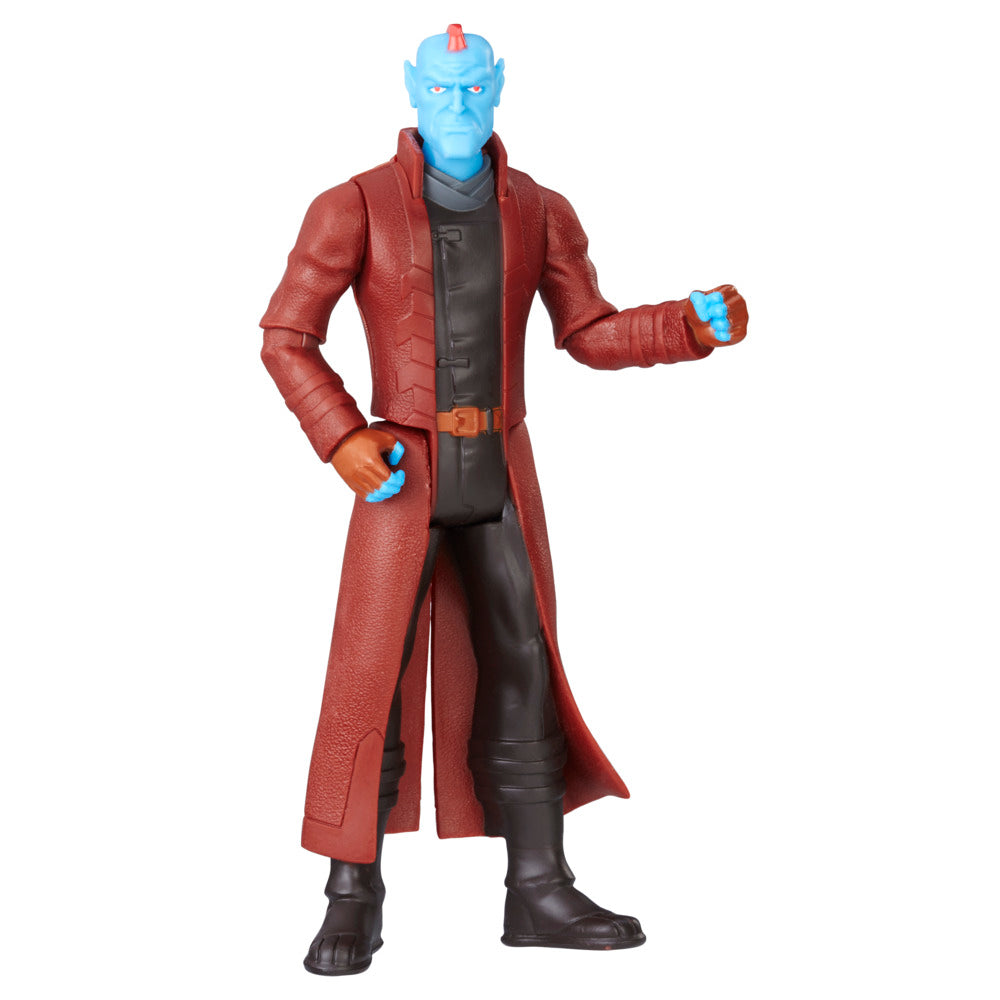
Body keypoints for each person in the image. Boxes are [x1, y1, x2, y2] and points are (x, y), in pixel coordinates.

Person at [260, 24, 747, 976]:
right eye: (441, 88)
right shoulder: (352, 205)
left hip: (500, 470)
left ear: (499, 87)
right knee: (371, 678)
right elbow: (287, 334)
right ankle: (352, 893)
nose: (458, 104)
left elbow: (590, 330)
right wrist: (343, 436)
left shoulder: (538, 209)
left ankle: (538, 887)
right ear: (411, 87)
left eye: (474, 86)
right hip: (401, 476)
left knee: (524, 663)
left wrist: (686, 327)